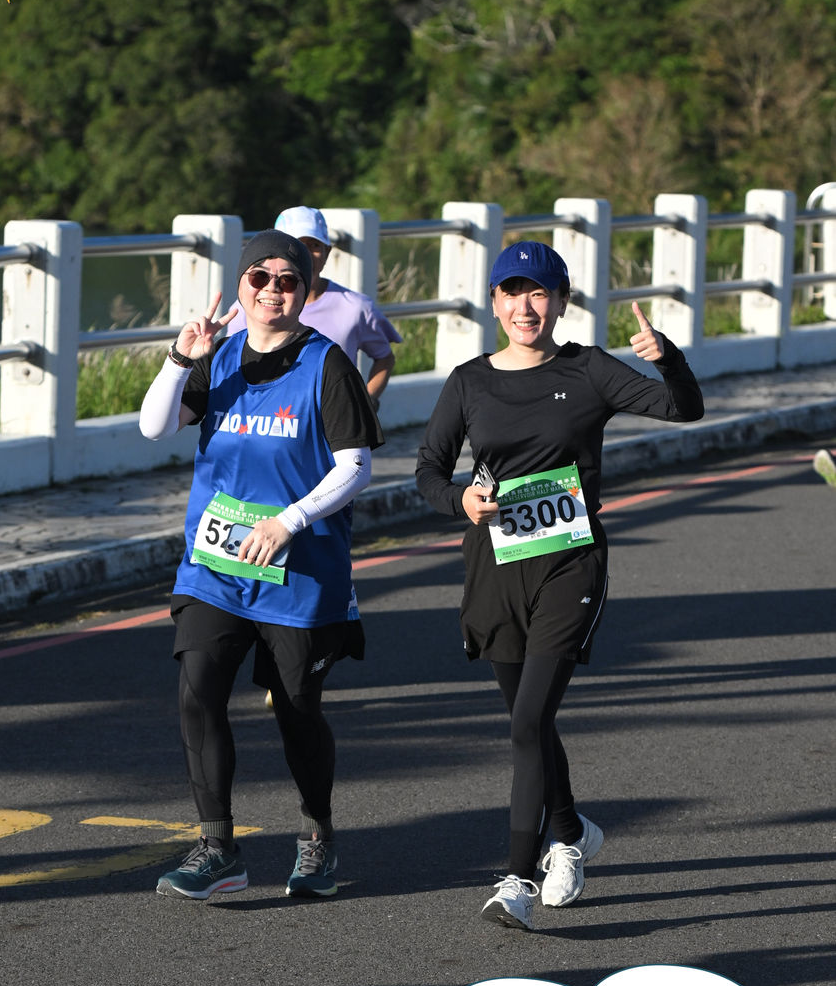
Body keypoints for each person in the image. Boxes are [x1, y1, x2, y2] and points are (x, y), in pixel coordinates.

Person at [416, 241, 704, 931]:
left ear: (561, 302)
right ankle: (570, 833)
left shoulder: (588, 369)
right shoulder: (468, 381)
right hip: (495, 567)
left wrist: (666, 358)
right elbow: (427, 470)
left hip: (569, 563)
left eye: (539, 293)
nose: (526, 307)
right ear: (493, 303)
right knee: (532, 721)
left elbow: (683, 408)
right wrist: (459, 500)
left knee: (525, 722)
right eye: (512, 292)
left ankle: (516, 878)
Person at [139, 229, 383, 902]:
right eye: (260, 278)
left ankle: (317, 834)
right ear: (241, 285)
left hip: (300, 572)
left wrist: (287, 522)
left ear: (304, 292)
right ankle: (218, 848)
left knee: (297, 711)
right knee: (198, 691)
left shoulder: (327, 364)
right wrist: (178, 358)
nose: (273, 290)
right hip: (215, 566)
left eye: (288, 280)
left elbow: (356, 466)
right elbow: (154, 427)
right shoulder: (216, 358)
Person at [227, 206, 402, 410]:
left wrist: (366, 402)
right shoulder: (248, 308)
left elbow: (384, 357)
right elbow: (232, 366)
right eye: (295, 246)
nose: (306, 254)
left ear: (327, 252)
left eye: (314, 245)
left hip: (332, 422)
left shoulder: (355, 307)